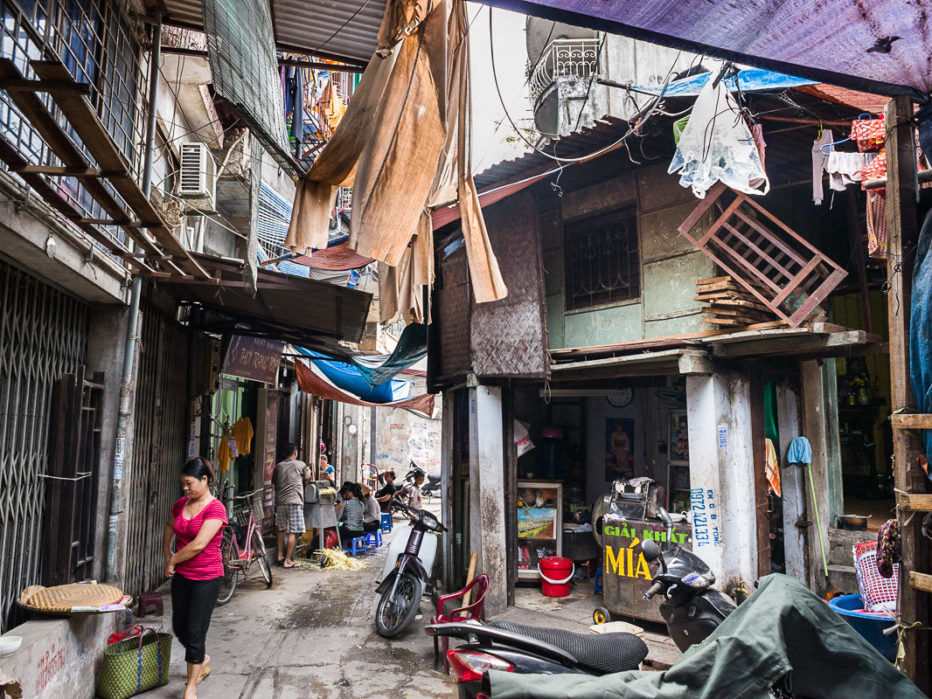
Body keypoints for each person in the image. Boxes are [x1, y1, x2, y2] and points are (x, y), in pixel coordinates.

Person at [163, 457, 227, 699]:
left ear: (204, 479)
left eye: (189, 483)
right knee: (179, 626)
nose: (185, 488)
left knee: (194, 630)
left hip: (207, 577)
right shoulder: (181, 504)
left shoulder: (215, 508)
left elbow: (200, 544)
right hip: (183, 576)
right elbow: (170, 526)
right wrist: (166, 553)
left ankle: (191, 686)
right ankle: (201, 657)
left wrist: (173, 560)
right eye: (183, 484)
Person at [273, 442, 310, 569]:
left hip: (280, 502)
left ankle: (279, 555)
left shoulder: (278, 466)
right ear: (295, 453)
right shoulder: (301, 464)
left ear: (284, 454)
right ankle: (288, 560)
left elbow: (275, 481)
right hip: (294, 501)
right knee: (294, 531)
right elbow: (308, 479)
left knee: (281, 529)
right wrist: (309, 472)